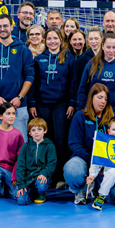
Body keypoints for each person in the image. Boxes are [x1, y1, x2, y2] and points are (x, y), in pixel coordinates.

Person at [0, 15, 35, 136]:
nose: (2, 29)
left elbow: (30, 76)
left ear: (11, 27)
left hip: (18, 106)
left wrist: (20, 98)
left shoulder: (23, 50)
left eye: (5, 26)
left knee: (19, 144)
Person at [32, 28, 75, 183]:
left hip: (61, 105)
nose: (52, 41)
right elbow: (34, 84)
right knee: (45, 139)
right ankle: (46, 175)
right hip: (43, 104)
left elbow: (72, 83)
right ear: (45, 40)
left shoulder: (69, 58)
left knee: (60, 140)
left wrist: (72, 103)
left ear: (60, 40)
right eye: (49, 38)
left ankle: (60, 176)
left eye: (55, 38)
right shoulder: (39, 59)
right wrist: (32, 104)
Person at [66, 84, 115, 199]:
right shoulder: (80, 116)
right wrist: (92, 159)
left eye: (105, 99)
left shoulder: (113, 118)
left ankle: (98, 189)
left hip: (106, 163)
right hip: (84, 159)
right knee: (72, 168)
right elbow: (74, 144)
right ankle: (81, 190)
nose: (103, 101)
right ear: (91, 98)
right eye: (99, 97)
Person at [77, 32, 115, 126]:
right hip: (93, 113)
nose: (111, 50)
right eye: (108, 47)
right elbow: (82, 90)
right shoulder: (92, 64)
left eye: (114, 47)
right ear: (102, 46)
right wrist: (80, 111)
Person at [13, 117, 56, 205]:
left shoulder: (49, 146)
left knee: (41, 185)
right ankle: (31, 192)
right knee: (21, 201)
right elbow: (20, 166)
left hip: (40, 177)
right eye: (33, 130)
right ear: (30, 133)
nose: (36, 132)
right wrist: (21, 184)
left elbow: (51, 163)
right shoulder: (25, 147)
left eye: (39, 129)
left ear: (45, 131)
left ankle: (41, 193)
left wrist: (44, 173)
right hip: (28, 178)